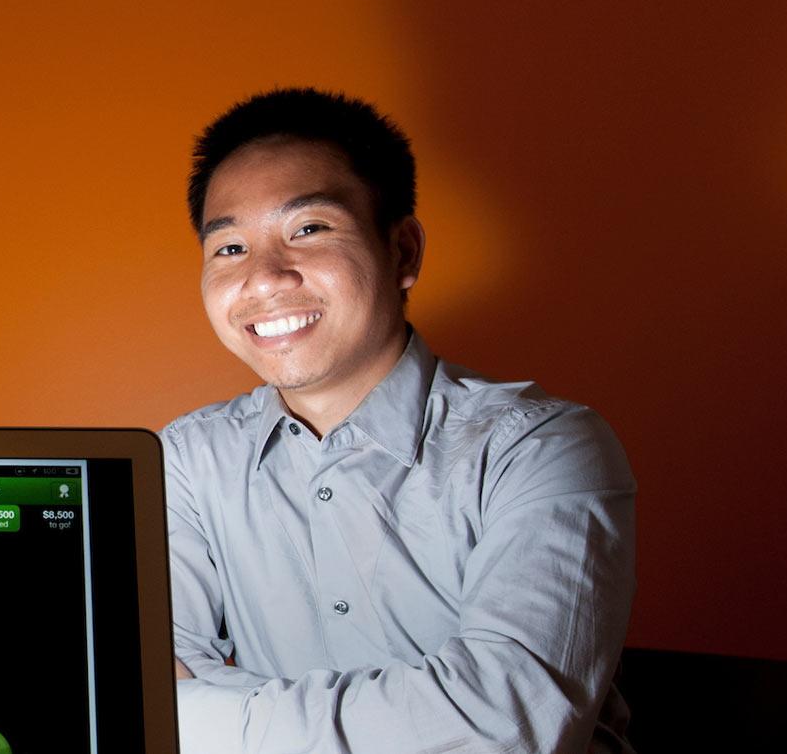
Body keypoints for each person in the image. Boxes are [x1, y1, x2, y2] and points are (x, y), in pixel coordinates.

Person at [166, 88, 637, 752]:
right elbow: (137, 694)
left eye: (308, 229)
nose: (265, 277)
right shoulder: (184, 462)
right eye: (230, 248)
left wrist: (209, 716)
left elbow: (505, 729)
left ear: (403, 251)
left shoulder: (539, 448)